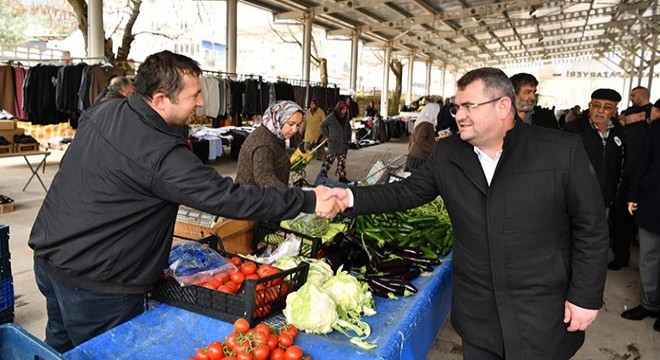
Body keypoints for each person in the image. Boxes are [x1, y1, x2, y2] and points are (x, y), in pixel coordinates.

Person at [28, 51, 343, 353]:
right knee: (103, 354)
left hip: (50, 257)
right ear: (161, 99)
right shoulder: (161, 154)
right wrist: (308, 199)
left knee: (60, 347)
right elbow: (228, 198)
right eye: (194, 95)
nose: (202, 102)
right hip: (99, 285)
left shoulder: (105, 111)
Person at [323, 67, 609, 359]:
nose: (459, 116)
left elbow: (592, 228)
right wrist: (348, 196)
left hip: (543, 310)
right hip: (479, 314)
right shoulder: (449, 153)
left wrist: (585, 297)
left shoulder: (560, 151)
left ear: (503, 106)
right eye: (457, 107)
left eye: (469, 106)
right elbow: (404, 192)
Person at [623, 98, 660, 331]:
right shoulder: (655, 131)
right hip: (652, 203)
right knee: (649, 258)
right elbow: (642, 163)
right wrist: (633, 195)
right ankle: (649, 304)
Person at [565, 89, 624, 213]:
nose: (600, 110)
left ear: (615, 110)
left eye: (607, 107)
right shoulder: (573, 129)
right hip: (574, 199)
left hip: (605, 199)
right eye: (596, 105)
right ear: (589, 105)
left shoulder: (620, 131)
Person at [609, 105, 649, 270]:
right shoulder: (649, 132)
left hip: (627, 187)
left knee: (621, 224)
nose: (624, 119)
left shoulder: (627, 134)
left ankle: (621, 257)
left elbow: (626, 163)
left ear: (638, 116)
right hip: (645, 188)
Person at [235, 100, 303, 189]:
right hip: (252, 200)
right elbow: (265, 179)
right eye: (291, 124)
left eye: (298, 125)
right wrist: (292, 196)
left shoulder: (273, 135)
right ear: (278, 119)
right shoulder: (264, 144)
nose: (294, 130)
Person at [320, 101, 353, 183]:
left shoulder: (346, 118)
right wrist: (327, 135)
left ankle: (342, 177)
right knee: (329, 160)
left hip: (343, 144)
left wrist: (349, 139)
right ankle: (322, 174)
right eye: (343, 109)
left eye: (346, 109)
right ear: (339, 109)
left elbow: (348, 129)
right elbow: (322, 125)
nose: (345, 111)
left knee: (342, 162)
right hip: (334, 143)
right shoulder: (332, 117)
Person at [406, 103, 440, 171]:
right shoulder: (426, 123)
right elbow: (419, 139)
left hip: (416, 156)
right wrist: (433, 148)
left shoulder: (422, 121)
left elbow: (413, 138)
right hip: (420, 158)